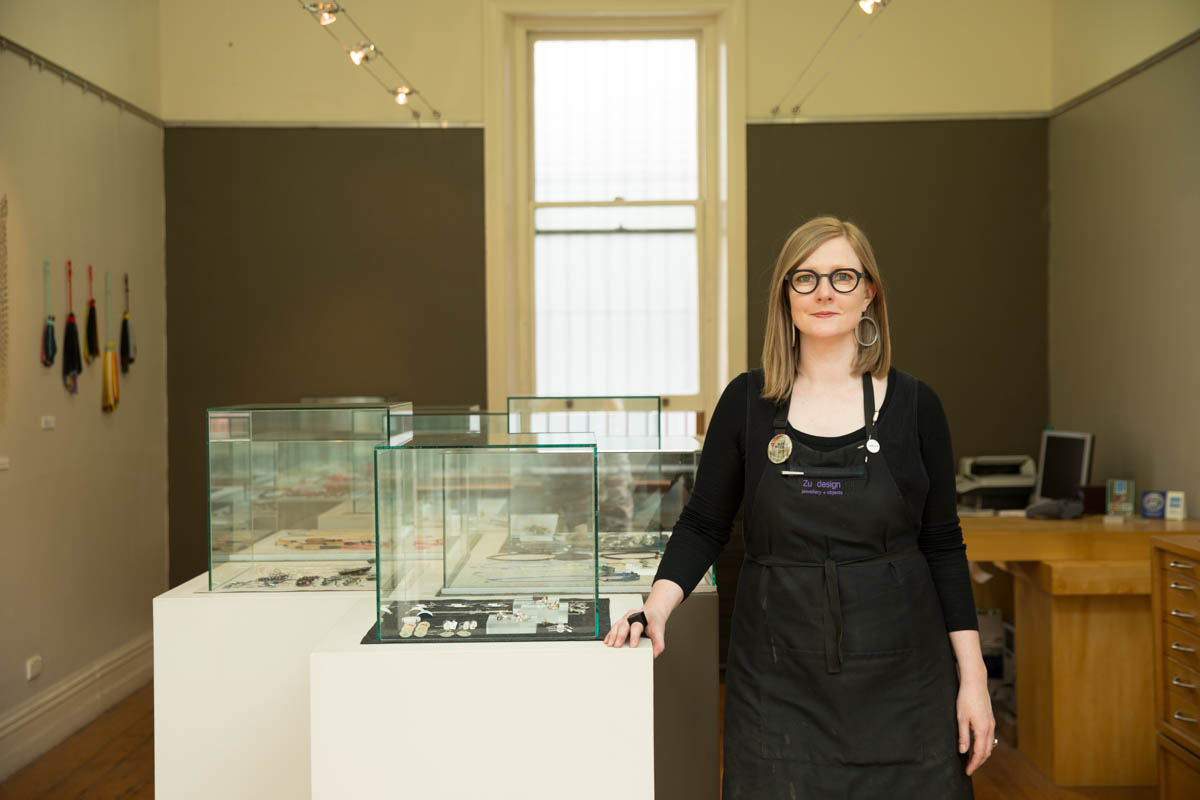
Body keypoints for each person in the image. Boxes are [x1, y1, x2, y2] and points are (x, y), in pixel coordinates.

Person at [604, 216, 993, 797]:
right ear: (786, 298)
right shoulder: (747, 403)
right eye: (805, 279)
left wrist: (975, 677)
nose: (824, 292)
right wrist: (657, 607)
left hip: (905, 681)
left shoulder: (916, 405)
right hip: (778, 679)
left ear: (869, 294)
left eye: (842, 276)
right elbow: (704, 523)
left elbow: (942, 543)